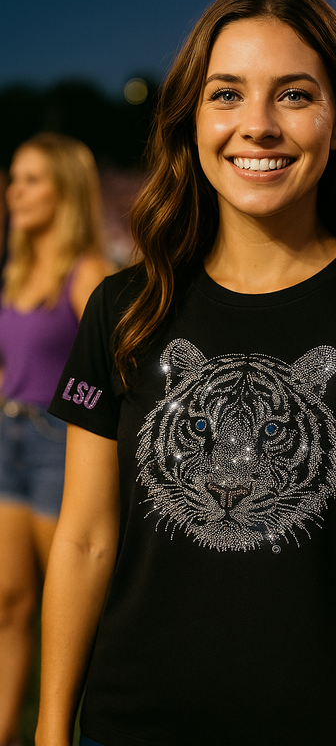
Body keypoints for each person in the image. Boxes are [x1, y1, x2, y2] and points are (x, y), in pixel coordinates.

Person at [35, 0, 336, 746]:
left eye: (294, 95)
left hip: (332, 722)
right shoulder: (122, 305)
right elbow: (83, 538)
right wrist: (47, 731)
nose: (258, 127)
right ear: (193, 120)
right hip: (133, 722)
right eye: (227, 94)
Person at [0, 132, 111, 746]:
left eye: (32, 178)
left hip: (59, 444)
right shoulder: (16, 269)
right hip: (7, 437)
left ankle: (71, 729)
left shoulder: (87, 271)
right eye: (14, 178)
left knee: (67, 613)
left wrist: (75, 420)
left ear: (65, 190)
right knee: (8, 601)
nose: (15, 190)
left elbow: (115, 372)